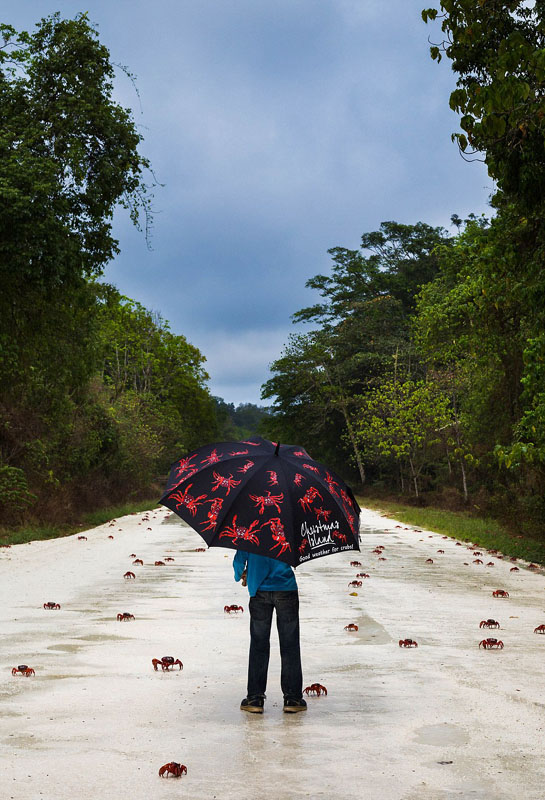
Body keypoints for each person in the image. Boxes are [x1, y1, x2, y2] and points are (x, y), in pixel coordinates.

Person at [233, 550, 306, 714]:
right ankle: (293, 698)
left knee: (259, 645)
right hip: (286, 589)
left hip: (259, 591)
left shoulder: (251, 529)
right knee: (290, 645)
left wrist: (243, 574)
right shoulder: (289, 528)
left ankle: (254, 698)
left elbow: (239, 561)